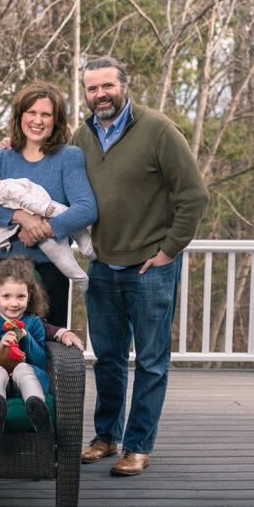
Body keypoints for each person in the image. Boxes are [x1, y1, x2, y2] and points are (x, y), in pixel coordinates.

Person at [72, 56, 209, 476]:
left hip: (151, 266)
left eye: (107, 86)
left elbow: (194, 196)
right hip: (103, 265)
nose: (100, 95)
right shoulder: (82, 136)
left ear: (124, 85)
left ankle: (138, 445)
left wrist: (168, 250)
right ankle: (107, 436)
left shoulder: (158, 130)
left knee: (150, 360)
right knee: (108, 359)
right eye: (92, 89)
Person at [0, 80, 97, 327]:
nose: (37, 121)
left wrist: (43, 230)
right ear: (19, 116)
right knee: (6, 345)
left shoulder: (68, 157)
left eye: (46, 114)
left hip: (50, 274)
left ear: (56, 120)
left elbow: (86, 208)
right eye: (31, 112)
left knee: (48, 347)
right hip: (5, 276)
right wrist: (22, 218)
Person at [0, 171, 94, 292]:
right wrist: (43, 209)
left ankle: (79, 276)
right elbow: (24, 197)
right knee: (72, 229)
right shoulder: (7, 188)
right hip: (48, 210)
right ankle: (88, 252)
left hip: (41, 222)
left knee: (60, 257)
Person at [0, 257, 52, 441]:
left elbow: (40, 360)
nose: (14, 303)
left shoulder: (33, 322)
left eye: (20, 296)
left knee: (23, 368)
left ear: (30, 296)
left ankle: (37, 409)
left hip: (25, 379)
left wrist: (26, 337)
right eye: (6, 296)